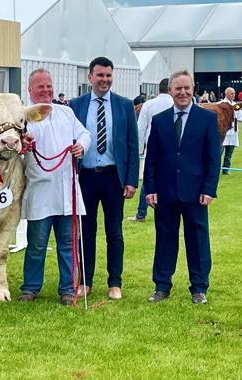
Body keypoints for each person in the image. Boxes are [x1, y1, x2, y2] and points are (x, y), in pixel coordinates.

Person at [144, 70, 220, 305]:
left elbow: (213, 157)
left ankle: (199, 287)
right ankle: (162, 285)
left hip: (196, 192)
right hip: (166, 192)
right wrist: (150, 188)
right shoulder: (160, 120)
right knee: (165, 239)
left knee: (197, 240)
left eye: (187, 88)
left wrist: (209, 189)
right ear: (170, 91)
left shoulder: (206, 118)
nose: (183, 92)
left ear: (193, 89)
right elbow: (152, 158)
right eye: (178, 88)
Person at [68, 56, 139, 300]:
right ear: (90, 77)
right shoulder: (75, 105)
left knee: (114, 232)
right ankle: (85, 282)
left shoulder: (124, 105)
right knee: (85, 232)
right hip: (85, 177)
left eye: (108, 75)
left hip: (113, 177)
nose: (104, 80)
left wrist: (131, 180)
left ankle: (114, 282)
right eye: (100, 75)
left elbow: (132, 144)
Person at [19, 68, 90, 305]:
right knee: (37, 245)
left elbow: (85, 134)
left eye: (49, 86)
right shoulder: (23, 118)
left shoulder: (65, 112)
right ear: (30, 90)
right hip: (40, 191)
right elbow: (13, 150)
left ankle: (68, 289)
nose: (47, 91)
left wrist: (81, 145)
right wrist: (23, 144)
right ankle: (30, 288)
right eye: (41, 87)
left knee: (68, 244)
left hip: (67, 190)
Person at [128, 78, 173, 223]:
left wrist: (140, 151)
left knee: (148, 182)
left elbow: (140, 129)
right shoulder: (177, 103)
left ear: (159, 89)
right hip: (175, 151)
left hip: (152, 151)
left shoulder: (148, 104)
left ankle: (141, 214)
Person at [220, 87, 242, 175]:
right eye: (231, 93)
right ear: (226, 94)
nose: (233, 95)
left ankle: (226, 170)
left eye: (234, 93)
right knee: (218, 153)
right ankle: (213, 170)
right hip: (222, 133)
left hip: (233, 132)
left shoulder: (236, 105)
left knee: (229, 153)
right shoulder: (220, 104)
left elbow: (241, 117)